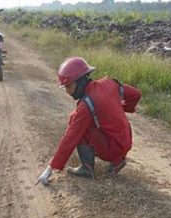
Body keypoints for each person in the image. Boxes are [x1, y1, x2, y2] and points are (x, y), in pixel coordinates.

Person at [36, 57, 142, 186]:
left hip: (113, 147)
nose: (67, 91)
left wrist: (50, 169)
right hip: (126, 141)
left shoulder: (86, 105)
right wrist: (122, 108)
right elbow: (135, 94)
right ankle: (118, 161)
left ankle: (87, 168)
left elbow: (70, 137)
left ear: (79, 82)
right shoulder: (109, 83)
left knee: (76, 123)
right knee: (75, 117)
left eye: (68, 86)